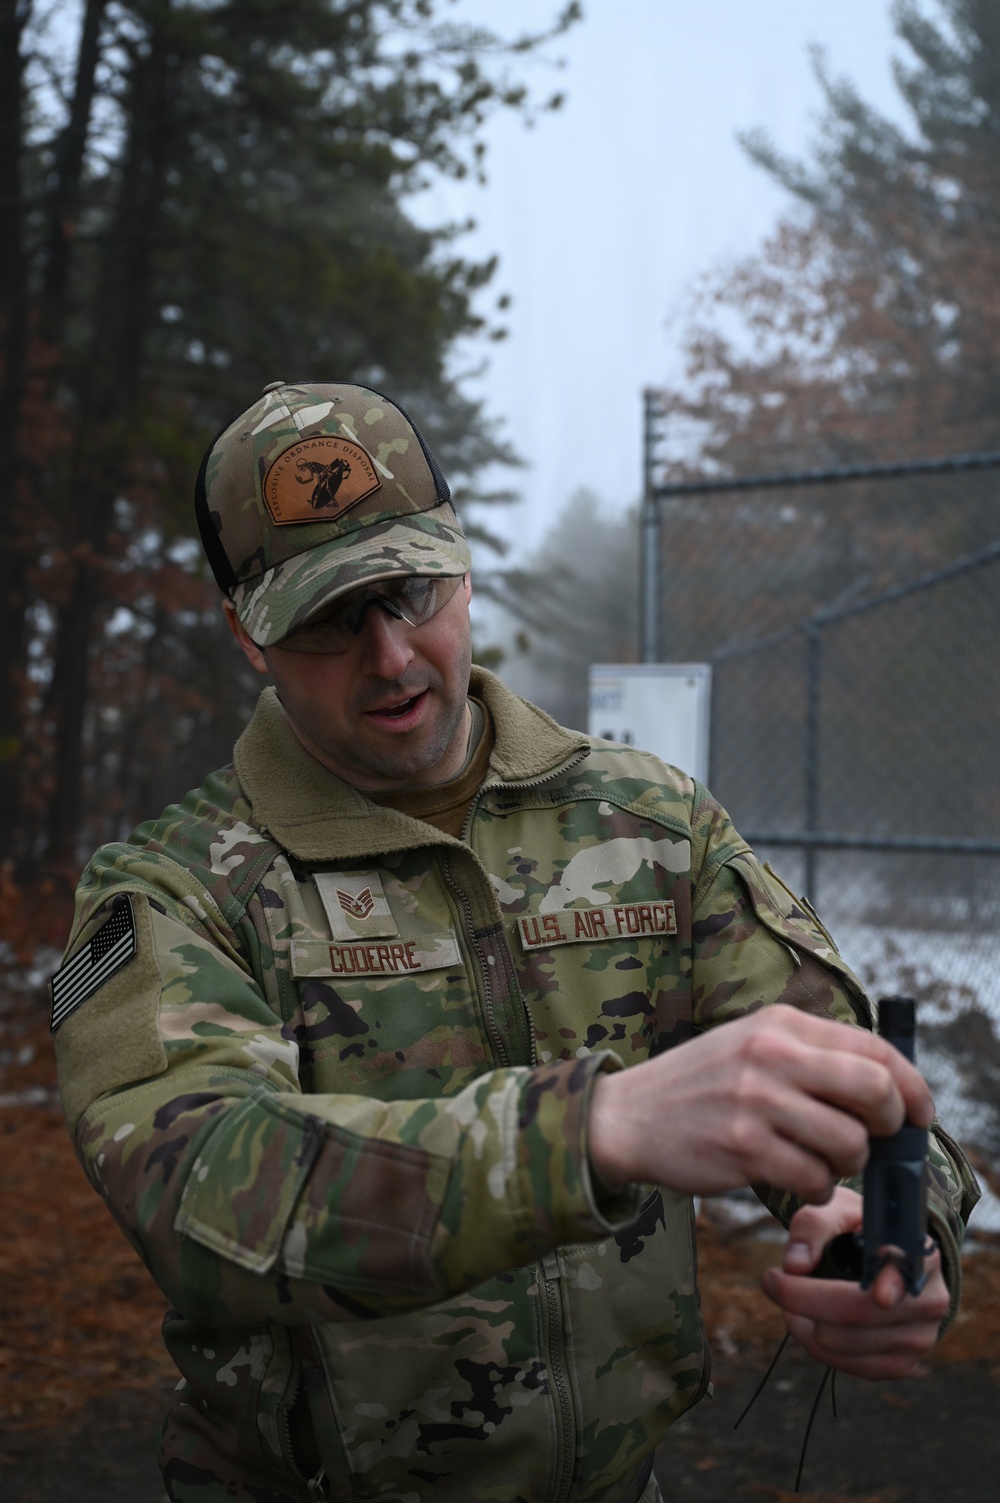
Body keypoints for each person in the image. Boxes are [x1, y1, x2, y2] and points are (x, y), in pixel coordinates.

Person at [52, 381, 978, 1503]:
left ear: (462, 564)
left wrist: (892, 1238)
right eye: (328, 618)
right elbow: (197, 1195)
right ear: (249, 633)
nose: (391, 657)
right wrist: (591, 1132)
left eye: (410, 591)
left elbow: (852, 1078)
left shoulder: (650, 823)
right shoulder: (174, 888)